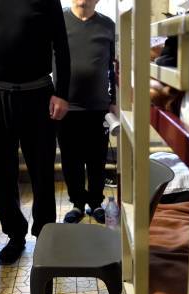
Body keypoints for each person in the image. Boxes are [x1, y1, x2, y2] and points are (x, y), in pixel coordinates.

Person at [0, 0, 70, 265]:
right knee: (1, 173)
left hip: (39, 95)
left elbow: (61, 44)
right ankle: (15, 236)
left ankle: (46, 234)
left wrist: (62, 93)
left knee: (42, 171)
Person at [58, 0, 116, 224]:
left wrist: (114, 100)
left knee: (96, 159)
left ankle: (96, 203)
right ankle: (77, 204)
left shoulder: (108, 26)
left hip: (98, 107)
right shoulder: (59, 22)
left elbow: (114, 68)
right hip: (66, 107)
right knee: (71, 159)